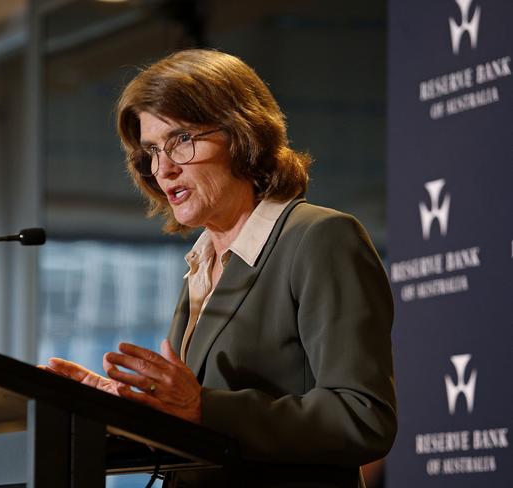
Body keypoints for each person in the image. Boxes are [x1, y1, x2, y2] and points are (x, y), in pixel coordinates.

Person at [44, 49, 397, 488]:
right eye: (152, 150)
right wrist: (124, 409)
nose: (163, 169)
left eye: (181, 140)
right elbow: (194, 432)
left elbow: (363, 417)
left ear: (242, 134)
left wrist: (202, 408)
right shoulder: (202, 262)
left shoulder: (319, 238)